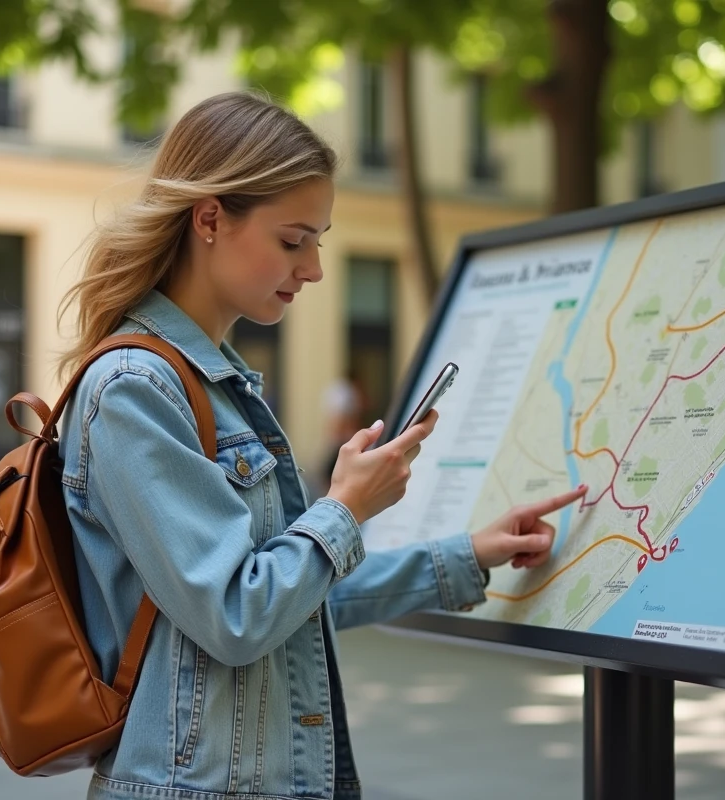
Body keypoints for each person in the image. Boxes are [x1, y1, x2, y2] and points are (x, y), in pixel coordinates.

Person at [55, 92, 586, 800]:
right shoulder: (134, 388)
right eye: (292, 239)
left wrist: (467, 555)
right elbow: (236, 615)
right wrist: (345, 507)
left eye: (318, 240)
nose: (313, 269)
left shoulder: (214, 382)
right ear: (210, 218)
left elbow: (294, 600)